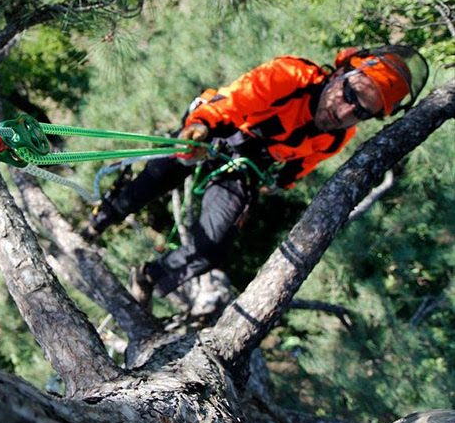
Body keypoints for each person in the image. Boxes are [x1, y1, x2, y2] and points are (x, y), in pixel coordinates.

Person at [82, 45, 428, 310]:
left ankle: (149, 276)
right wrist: (201, 127)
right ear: (339, 74)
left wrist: (265, 188)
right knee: (157, 177)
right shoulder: (293, 76)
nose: (347, 110)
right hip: (219, 130)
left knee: (213, 249)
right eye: (351, 94)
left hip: (246, 167)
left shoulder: (337, 138)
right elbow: (236, 100)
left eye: (362, 111)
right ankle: (97, 223)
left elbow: (294, 170)